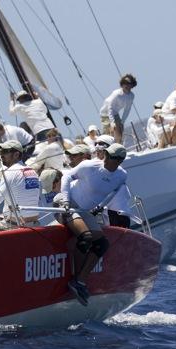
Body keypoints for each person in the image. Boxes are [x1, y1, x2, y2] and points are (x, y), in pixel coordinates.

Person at [59, 143, 128, 306]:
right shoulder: (89, 165)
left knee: (102, 244)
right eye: (107, 154)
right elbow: (66, 177)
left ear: (119, 161)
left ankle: (79, 282)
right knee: (86, 237)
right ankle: (74, 278)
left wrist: (100, 206)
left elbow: (114, 191)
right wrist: (65, 200)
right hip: (68, 204)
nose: (107, 158)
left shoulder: (122, 175)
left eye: (112, 157)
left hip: (85, 211)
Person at [99, 74, 137, 144]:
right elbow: (110, 108)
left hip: (115, 113)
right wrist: (112, 123)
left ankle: (118, 148)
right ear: (122, 84)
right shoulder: (117, 93)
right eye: (125, 83)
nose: (127, 85)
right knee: (109, 133)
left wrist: (122, 122)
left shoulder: (131, 96)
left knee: (119, 132)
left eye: (129, 83)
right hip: (105, 113)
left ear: (132, 85)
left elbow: (127, 110)